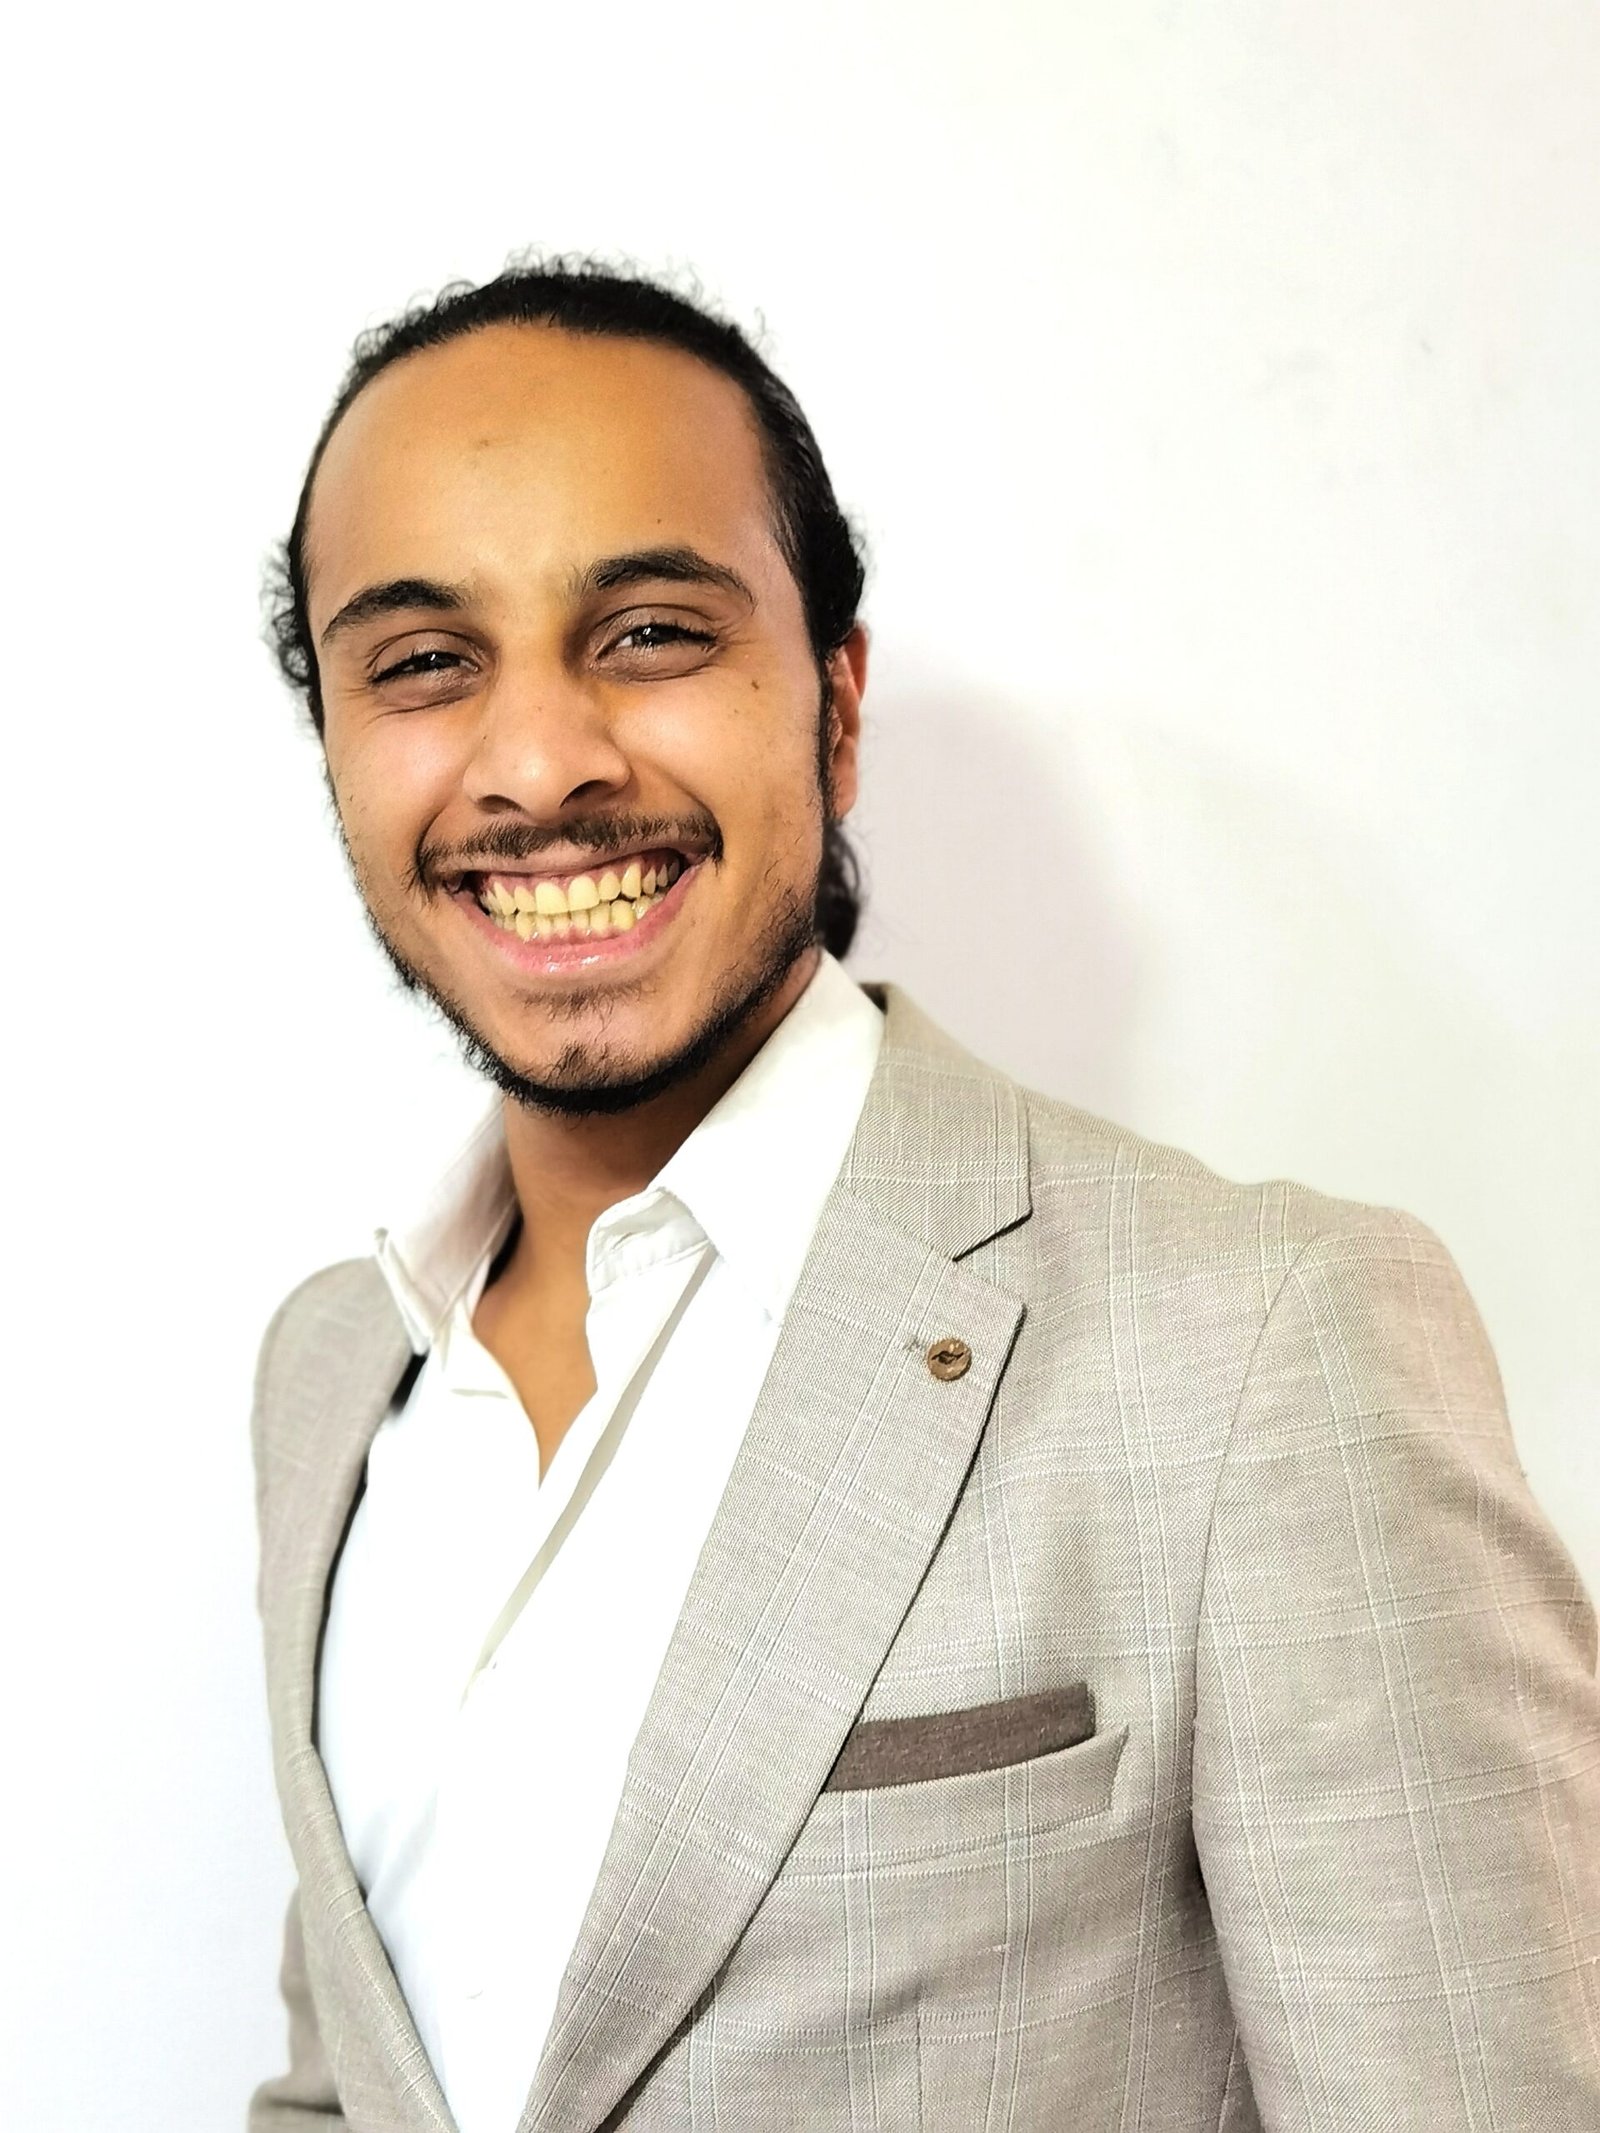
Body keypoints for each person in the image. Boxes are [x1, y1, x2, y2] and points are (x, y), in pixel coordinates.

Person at [250, 260, 1600, 2133]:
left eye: (650, 632)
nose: (542, 760)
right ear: (334, 738)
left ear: (836, 703)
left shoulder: (1259, 1343)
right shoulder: (330, 1376)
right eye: (421, 662)